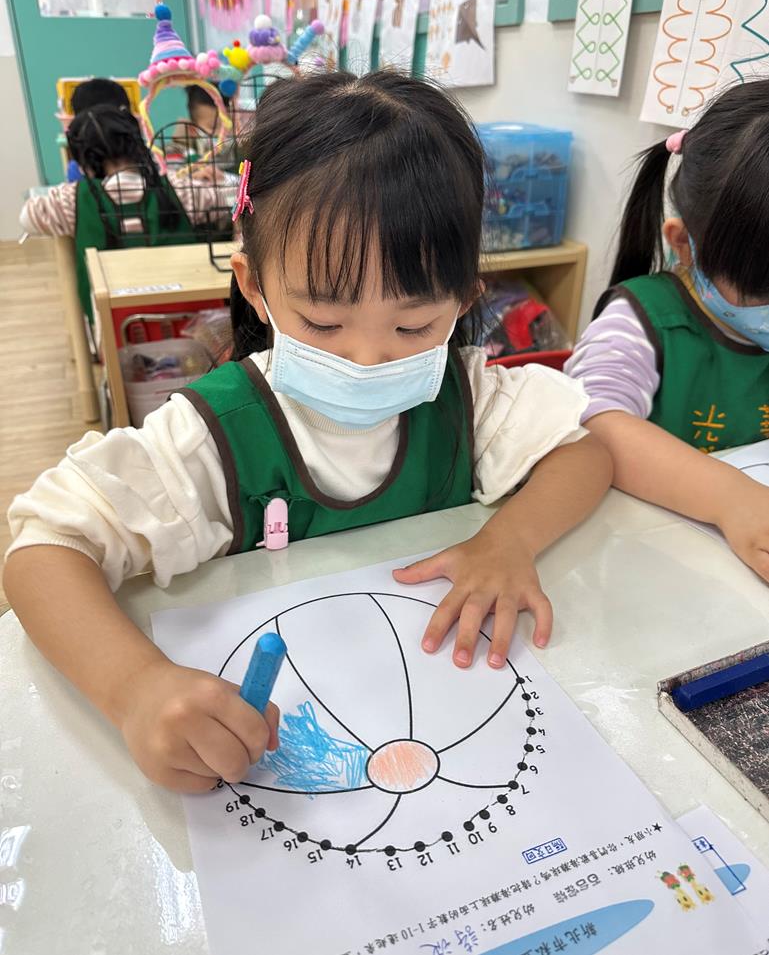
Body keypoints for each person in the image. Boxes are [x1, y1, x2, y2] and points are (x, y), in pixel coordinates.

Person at [5, 71, 611, 794]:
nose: (366, 358)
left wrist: (508, 540)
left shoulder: (467, 395)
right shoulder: (216, 434)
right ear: (254, 286)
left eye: (414, 325)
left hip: (432, 710)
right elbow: (43, 550)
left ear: (463, 300)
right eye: (323, 322)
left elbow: (585, 454)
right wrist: (134, 687)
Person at [565, 78, 769, 581]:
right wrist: (730, 499)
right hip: (643, 563)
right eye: (761, 290)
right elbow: (590, 423)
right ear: (683, 245)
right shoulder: (643, 322)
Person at [21, 104, 235, 320]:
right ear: (137, 145)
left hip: (114, 323)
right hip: (192, 315)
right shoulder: (180, 189)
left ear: (83, 162)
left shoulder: (72, 200)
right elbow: (231, 199)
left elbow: (27, 218)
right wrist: (216, 179)